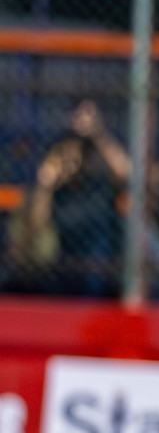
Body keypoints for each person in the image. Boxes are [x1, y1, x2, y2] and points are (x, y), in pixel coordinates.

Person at [10, 100, 130, 296]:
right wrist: (45, 185)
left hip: (98, 275)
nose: (70, 159)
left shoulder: (99, 187)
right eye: (65, 153)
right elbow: (39, 224)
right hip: (64, 274)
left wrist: (96, 132)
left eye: (76, 153)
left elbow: (124, 171)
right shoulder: (58, 193)